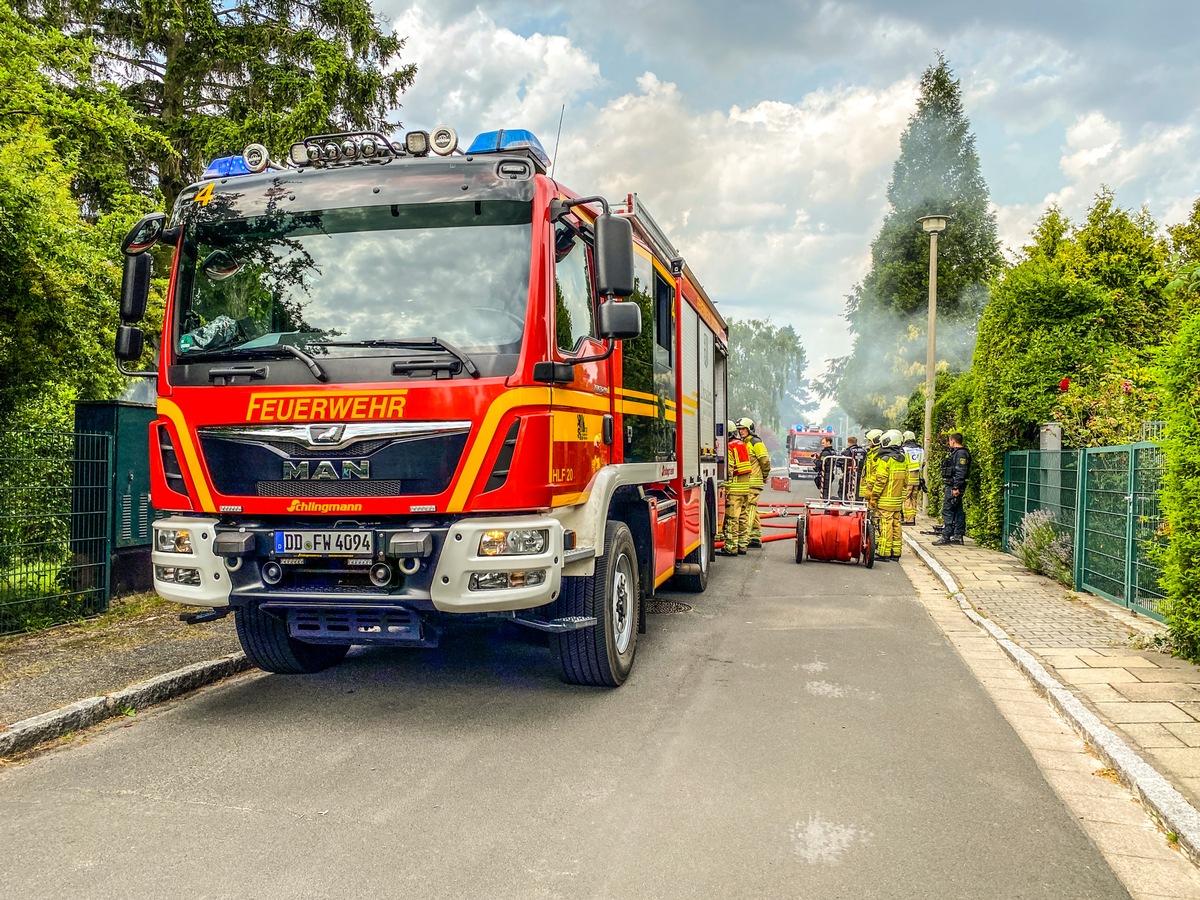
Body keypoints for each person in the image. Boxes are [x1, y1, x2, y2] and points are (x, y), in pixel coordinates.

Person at [868, 430, 908, 560]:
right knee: (897, 524)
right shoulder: (902, 459)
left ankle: (884, 552)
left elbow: (880, 480)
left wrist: (874, 497)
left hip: (885, 500)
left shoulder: (885, 459)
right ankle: (896, 552)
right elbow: (906, 481)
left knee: (885, 525)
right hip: (897, 500)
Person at [738, 417, 771, 549]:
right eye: (740, 429)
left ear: (750, 429)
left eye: (744, 429)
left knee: (749, 508)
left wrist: (765, 475)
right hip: (746, 482)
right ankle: (755, 537)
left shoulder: (756, 442)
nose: (741, 432)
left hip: (754, 481)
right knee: (752, 508)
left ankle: (744, 537)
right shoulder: (743, 443)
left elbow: (765, 461)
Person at [934, 432, 971, 546]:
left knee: (948, 510)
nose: (949, 443)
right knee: (957, 510)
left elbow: (960, 471)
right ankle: (957, 535)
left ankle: (946, 535)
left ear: (953, 441)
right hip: (954, 485)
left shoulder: (960, 454)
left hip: (953, 486)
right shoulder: (957, 453)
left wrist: (956, 487)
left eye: (950, 441)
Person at [722, 420, 753, 556]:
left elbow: (729, 470)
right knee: (742, 518)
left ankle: (731, 547)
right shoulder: (742, 444)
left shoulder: (729, 447)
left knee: (731, 519)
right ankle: (742, 545)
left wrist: (725, 487)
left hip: (734, 489)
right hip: (745, 488)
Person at [901, 430, 924, 526]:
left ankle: (908, 520)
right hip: (917, 478)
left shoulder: (904, 449)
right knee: (914, 498)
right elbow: (922, 463)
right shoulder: (920, 449)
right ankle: (913, 518)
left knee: (906, 498)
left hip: (908, 477)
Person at [813, 435, 838, 499]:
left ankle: (826, 506)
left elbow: (820, 464)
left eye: (823, 443)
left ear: (828, 442)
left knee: (825, 493)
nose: (822, 444)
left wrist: (815, 460)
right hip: (830, 473)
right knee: (827, 491)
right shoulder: (833, 451)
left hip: (825, 474)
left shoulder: (825, 453)